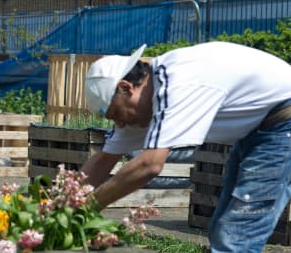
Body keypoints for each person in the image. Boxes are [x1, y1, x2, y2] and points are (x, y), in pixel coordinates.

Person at [81, 41, 291, 252]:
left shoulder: (174, 83)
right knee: (222, 229)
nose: (120, 124)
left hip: (283, 119)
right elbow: (103, 159)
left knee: (237, 234)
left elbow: (149, 165)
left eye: (116, 114)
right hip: (259, 127)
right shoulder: (141, 99)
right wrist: (61, 205)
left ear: (126, 88)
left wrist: (88, 206)